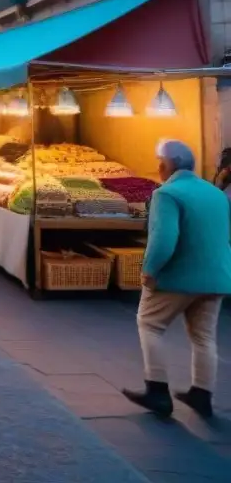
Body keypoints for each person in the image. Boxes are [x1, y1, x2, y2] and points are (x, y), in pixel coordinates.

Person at [122, 140, 231, 419]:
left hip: (178, 275)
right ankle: (202, 394)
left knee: (150, 324)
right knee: (204, 336)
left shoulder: (167, 194)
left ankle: (157, 391)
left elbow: (163, 240)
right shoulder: (216, 194)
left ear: (165, 165)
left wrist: (150, 270)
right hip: (217, 276)